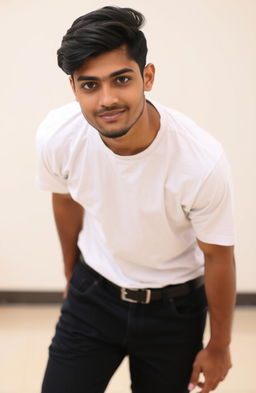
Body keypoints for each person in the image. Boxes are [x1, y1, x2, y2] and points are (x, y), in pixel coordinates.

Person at [36, 6, 236, 393]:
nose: (107, 99)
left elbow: (218, 256)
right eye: (90, 85)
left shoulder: (200, 161)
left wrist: (220, 346)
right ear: (74, 88)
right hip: (93, 295)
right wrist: (69, 273)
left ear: (147, 77)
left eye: (121, 79)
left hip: (174, 311)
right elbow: (65, 200)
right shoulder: (58, 136)